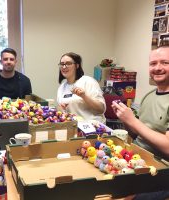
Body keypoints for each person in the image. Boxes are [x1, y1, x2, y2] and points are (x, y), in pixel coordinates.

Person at [112, 44, 169, 199]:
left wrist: (133, 121)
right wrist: (125, 120)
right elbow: (137, 135)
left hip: (160, 172)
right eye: (153, 63)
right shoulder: (149, 95)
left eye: (165, 62)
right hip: (136, 160)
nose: (158, 68)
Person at [57, 52, 106, 123]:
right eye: (62, 64)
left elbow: (101, 109)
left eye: (68, 63)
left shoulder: (88, 81)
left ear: (77, 66)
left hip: (93, 127)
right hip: (73, 127)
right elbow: (62, 110)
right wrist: (61, 109)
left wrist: (84, 96)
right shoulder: (62, 87)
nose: (64, 67)